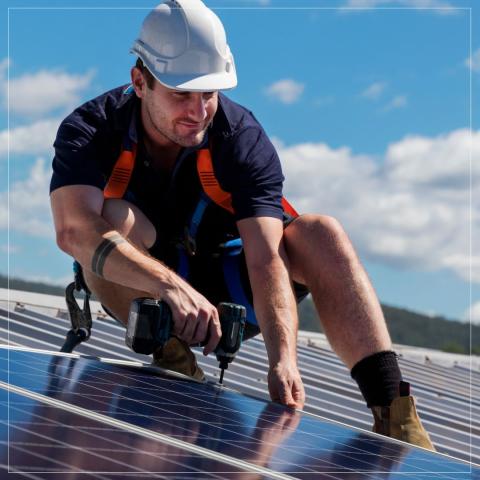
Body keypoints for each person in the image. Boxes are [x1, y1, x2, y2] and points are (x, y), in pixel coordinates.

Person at [50, 0, 434, 450]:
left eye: (208, 93)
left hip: (236, 288)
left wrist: (283, 360)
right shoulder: (93, 128)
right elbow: (72, 230)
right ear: (140, 82)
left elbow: (267, 257)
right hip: (151, 296)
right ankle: (173, 360)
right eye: (181, 94)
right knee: (109, 219)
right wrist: (168, 288)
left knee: (320, 231)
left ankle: (394, 411)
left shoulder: (240, 138)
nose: (198, 111)